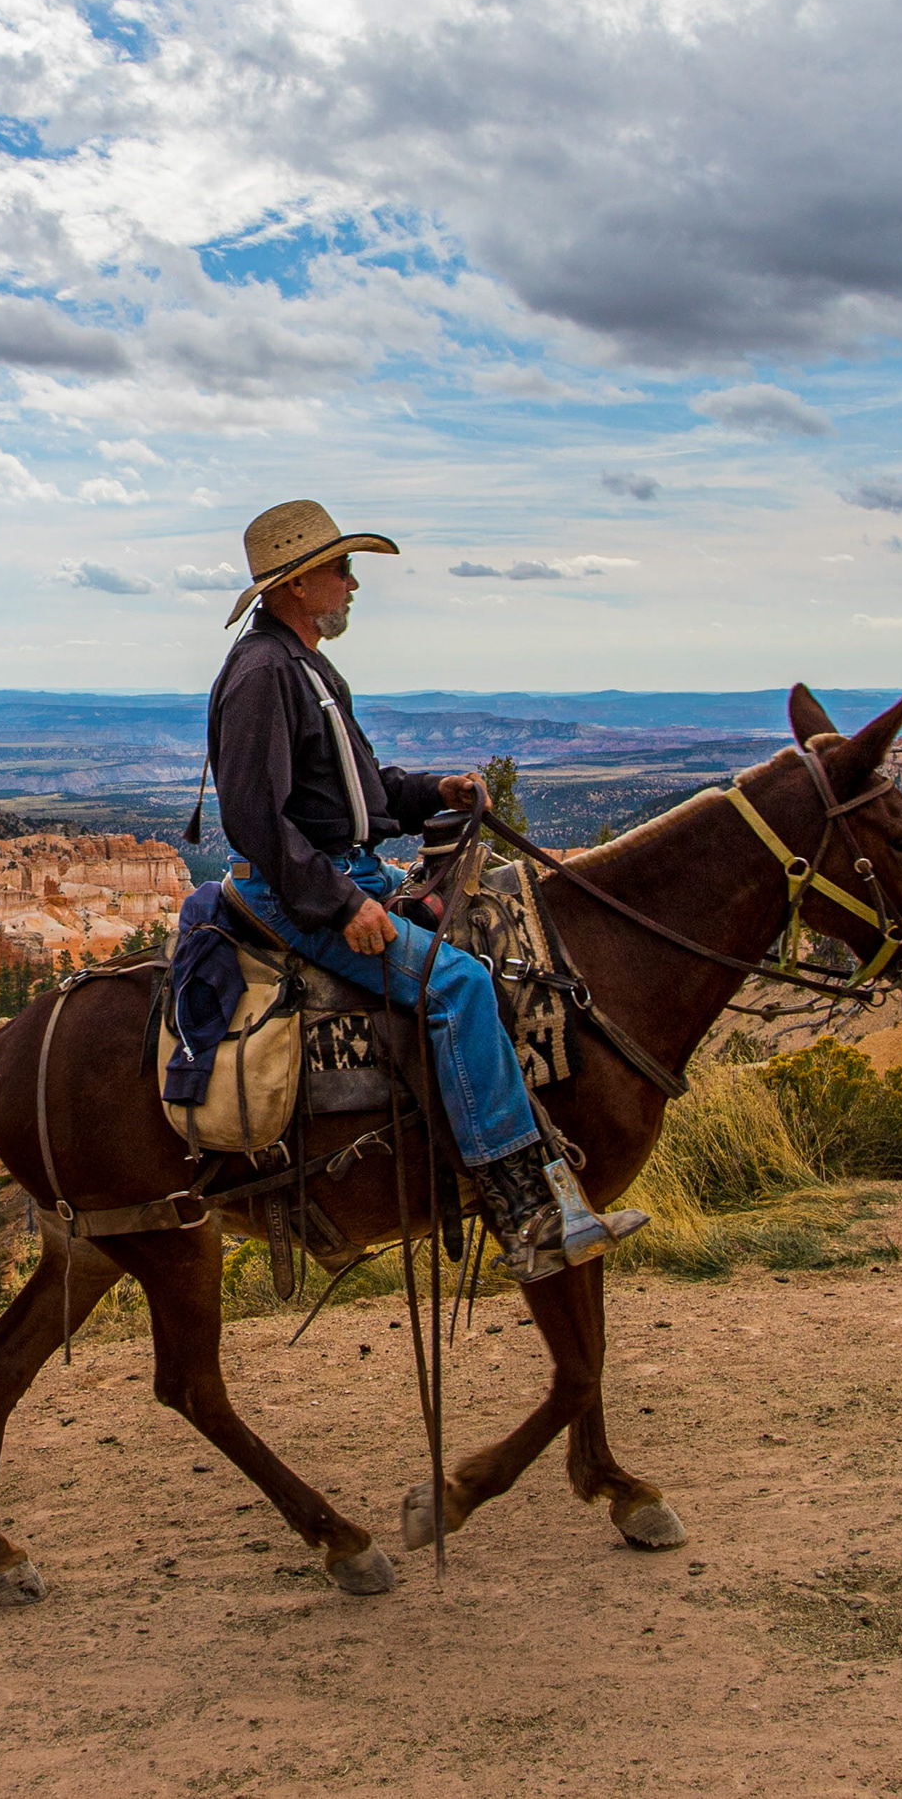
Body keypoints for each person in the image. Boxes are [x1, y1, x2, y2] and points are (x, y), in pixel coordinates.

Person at [204, 498, 644, 1280]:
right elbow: (257, 825)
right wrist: (342, 906)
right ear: (298, 583)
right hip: (296, 893)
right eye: (340, 570)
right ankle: (524, 1209)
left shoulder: (308, 666)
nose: (351, 585)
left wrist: (433, 791)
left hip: (351, 870)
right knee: (459, 987)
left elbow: (359, 789)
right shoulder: (262, 674)